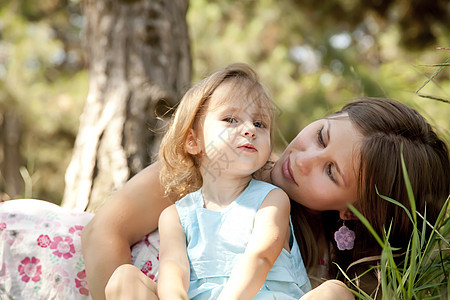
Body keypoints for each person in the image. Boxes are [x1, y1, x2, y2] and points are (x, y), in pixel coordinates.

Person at [81, 75, 449, 298]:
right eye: (321, 136)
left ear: (353, 212)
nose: (302, 159)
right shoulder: (224, 162)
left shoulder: (347, 272)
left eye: (331, 172)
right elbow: (104, 229)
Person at [155, 63, 310, 299]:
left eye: (259, 124)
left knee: (335, 291)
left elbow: (260, 257)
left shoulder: (271, 200)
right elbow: (173, 270)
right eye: (231, 119)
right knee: (124, 277)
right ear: (193, 141)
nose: (249, 129)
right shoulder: (176, 216)